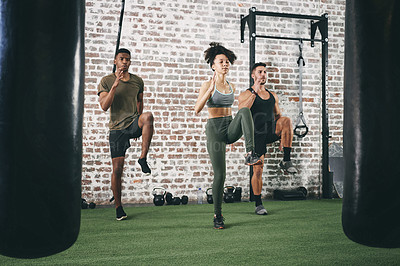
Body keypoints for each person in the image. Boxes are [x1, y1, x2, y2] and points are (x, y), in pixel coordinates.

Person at [195, 43, 261, 229]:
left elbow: (241, 114)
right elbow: (196, 109)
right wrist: (209, 91)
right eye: (221, 61)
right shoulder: (208, 84)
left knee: (244, 111)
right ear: (213, 65)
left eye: (226, 61)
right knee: (220, 175)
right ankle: (217, 215)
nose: (225, 64)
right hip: (214, 130)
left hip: (229, 126)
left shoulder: (231, 85)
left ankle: (250, 153)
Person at [97, 48, 154, 221]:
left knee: (148, 117)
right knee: (117, 170)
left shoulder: (138, 81)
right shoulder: (106, 81)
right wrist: (115, 85)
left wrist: (140, 124)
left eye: (128, 59)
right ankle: (119, 207)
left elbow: (140, 101)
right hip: (116, 129)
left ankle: (142, 158)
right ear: (115, 61)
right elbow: (104, 106)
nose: (125, 62)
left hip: (132, 123)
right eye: (122, 59)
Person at [238, 62, 298, 215]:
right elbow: (242, 112)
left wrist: (282, 138)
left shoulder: (272, 96)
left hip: (270, 130)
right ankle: (258, 204)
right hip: (256, 135)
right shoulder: (246, 94)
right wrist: (255, 90)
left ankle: (286, 160)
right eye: (260, 72)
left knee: (286, 120)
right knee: (257, 171)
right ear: (253, 75)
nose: (263, 74)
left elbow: (278, 116)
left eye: (265, 72)